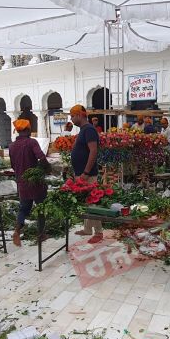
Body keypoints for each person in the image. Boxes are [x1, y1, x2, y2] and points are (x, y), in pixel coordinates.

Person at [9, 118, 49, 247]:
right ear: (28, 129)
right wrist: (48, 169)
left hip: (22, 182)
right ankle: (41, 234)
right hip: (35, 182)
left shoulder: (12, 146)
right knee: (41, 207)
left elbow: (13, 165)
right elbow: (41, 158)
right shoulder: (31, 142)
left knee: (24, 208)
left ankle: (17, 230)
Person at [69, 104, 103, 244]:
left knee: (93, 203)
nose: (71, 119)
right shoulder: (84, 130)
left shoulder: (89, 129)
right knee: (87, 202)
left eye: (72, 116)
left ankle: (99, 232)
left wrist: (86, 172)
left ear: (79, 115)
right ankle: (87, 229)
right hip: (82, 173)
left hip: (87, 174)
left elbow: (93, 151)